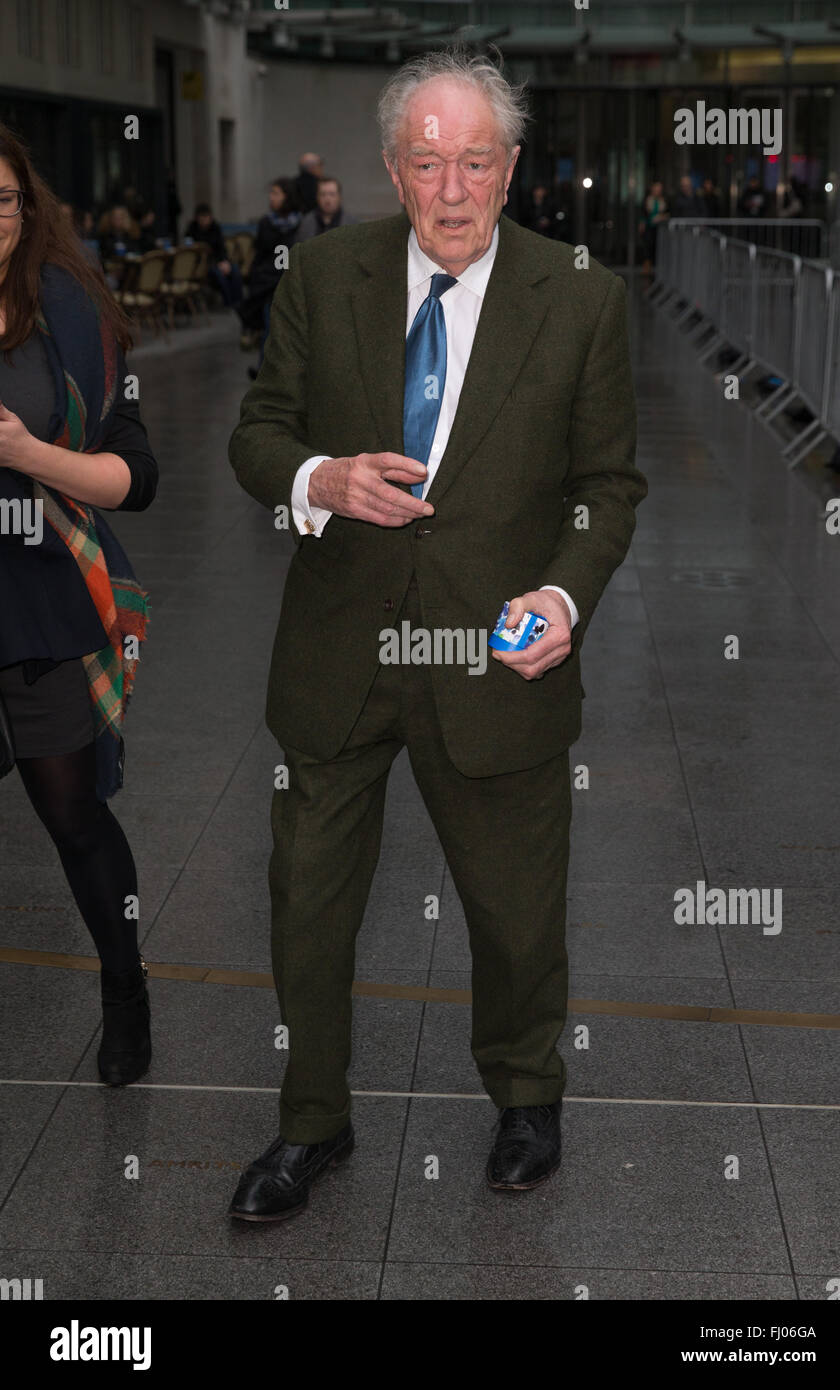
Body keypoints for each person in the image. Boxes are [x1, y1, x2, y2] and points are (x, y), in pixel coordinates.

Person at [228, 48, 647, 1223]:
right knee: (305, 904)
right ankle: (311, 1120)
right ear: (391, 170)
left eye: (474, 161)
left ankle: (525, 1096)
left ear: (508, 170)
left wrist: (560, 600)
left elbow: (607, 487)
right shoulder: (322, 277)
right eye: (426, 162)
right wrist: (319, 474)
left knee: (515, 914)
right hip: (338, 660)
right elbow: (258, 433)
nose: (451, 189)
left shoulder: (579, 295)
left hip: (494, 662)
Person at [0, 124, 158, 1086]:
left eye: (4, 200)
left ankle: (125, 988)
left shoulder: (65, 310)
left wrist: (27, 454)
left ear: (27, 207)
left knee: (73, 814)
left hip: (43, 594)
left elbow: (134, 476)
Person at [237, 178, 302, 379]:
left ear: (287, 196)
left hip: (293, 284)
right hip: (268, 285)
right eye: (271, 193)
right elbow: (261, 255)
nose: (271, 197)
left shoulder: (301, 223)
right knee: (269, 329)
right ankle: (264, 372)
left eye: (276, 193)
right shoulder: (266, 222)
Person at [183, 202, 243, 306]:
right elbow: (191, 250)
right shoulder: (192, 229)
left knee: (235, 270)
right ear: (197, 218)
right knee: (219, 275)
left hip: (219, 260)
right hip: (203, 264)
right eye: (201, 217)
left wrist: (225, 262)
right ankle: (229, 302)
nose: (204, 220)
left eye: (206, 217)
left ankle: (239, 301)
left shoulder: (215, 228)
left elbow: (222, 248)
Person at [639, 179, 668, 271]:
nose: (657, 191)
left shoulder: (664, 200)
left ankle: (658, 267)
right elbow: (643, 213)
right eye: (656, 189)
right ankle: (647, 266)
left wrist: (662, 217)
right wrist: (642, 223)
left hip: (660, 228)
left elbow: (668, 213)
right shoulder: (647, 199)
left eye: (659, 189)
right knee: (648, 246)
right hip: (649, 227)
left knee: (658, 247)